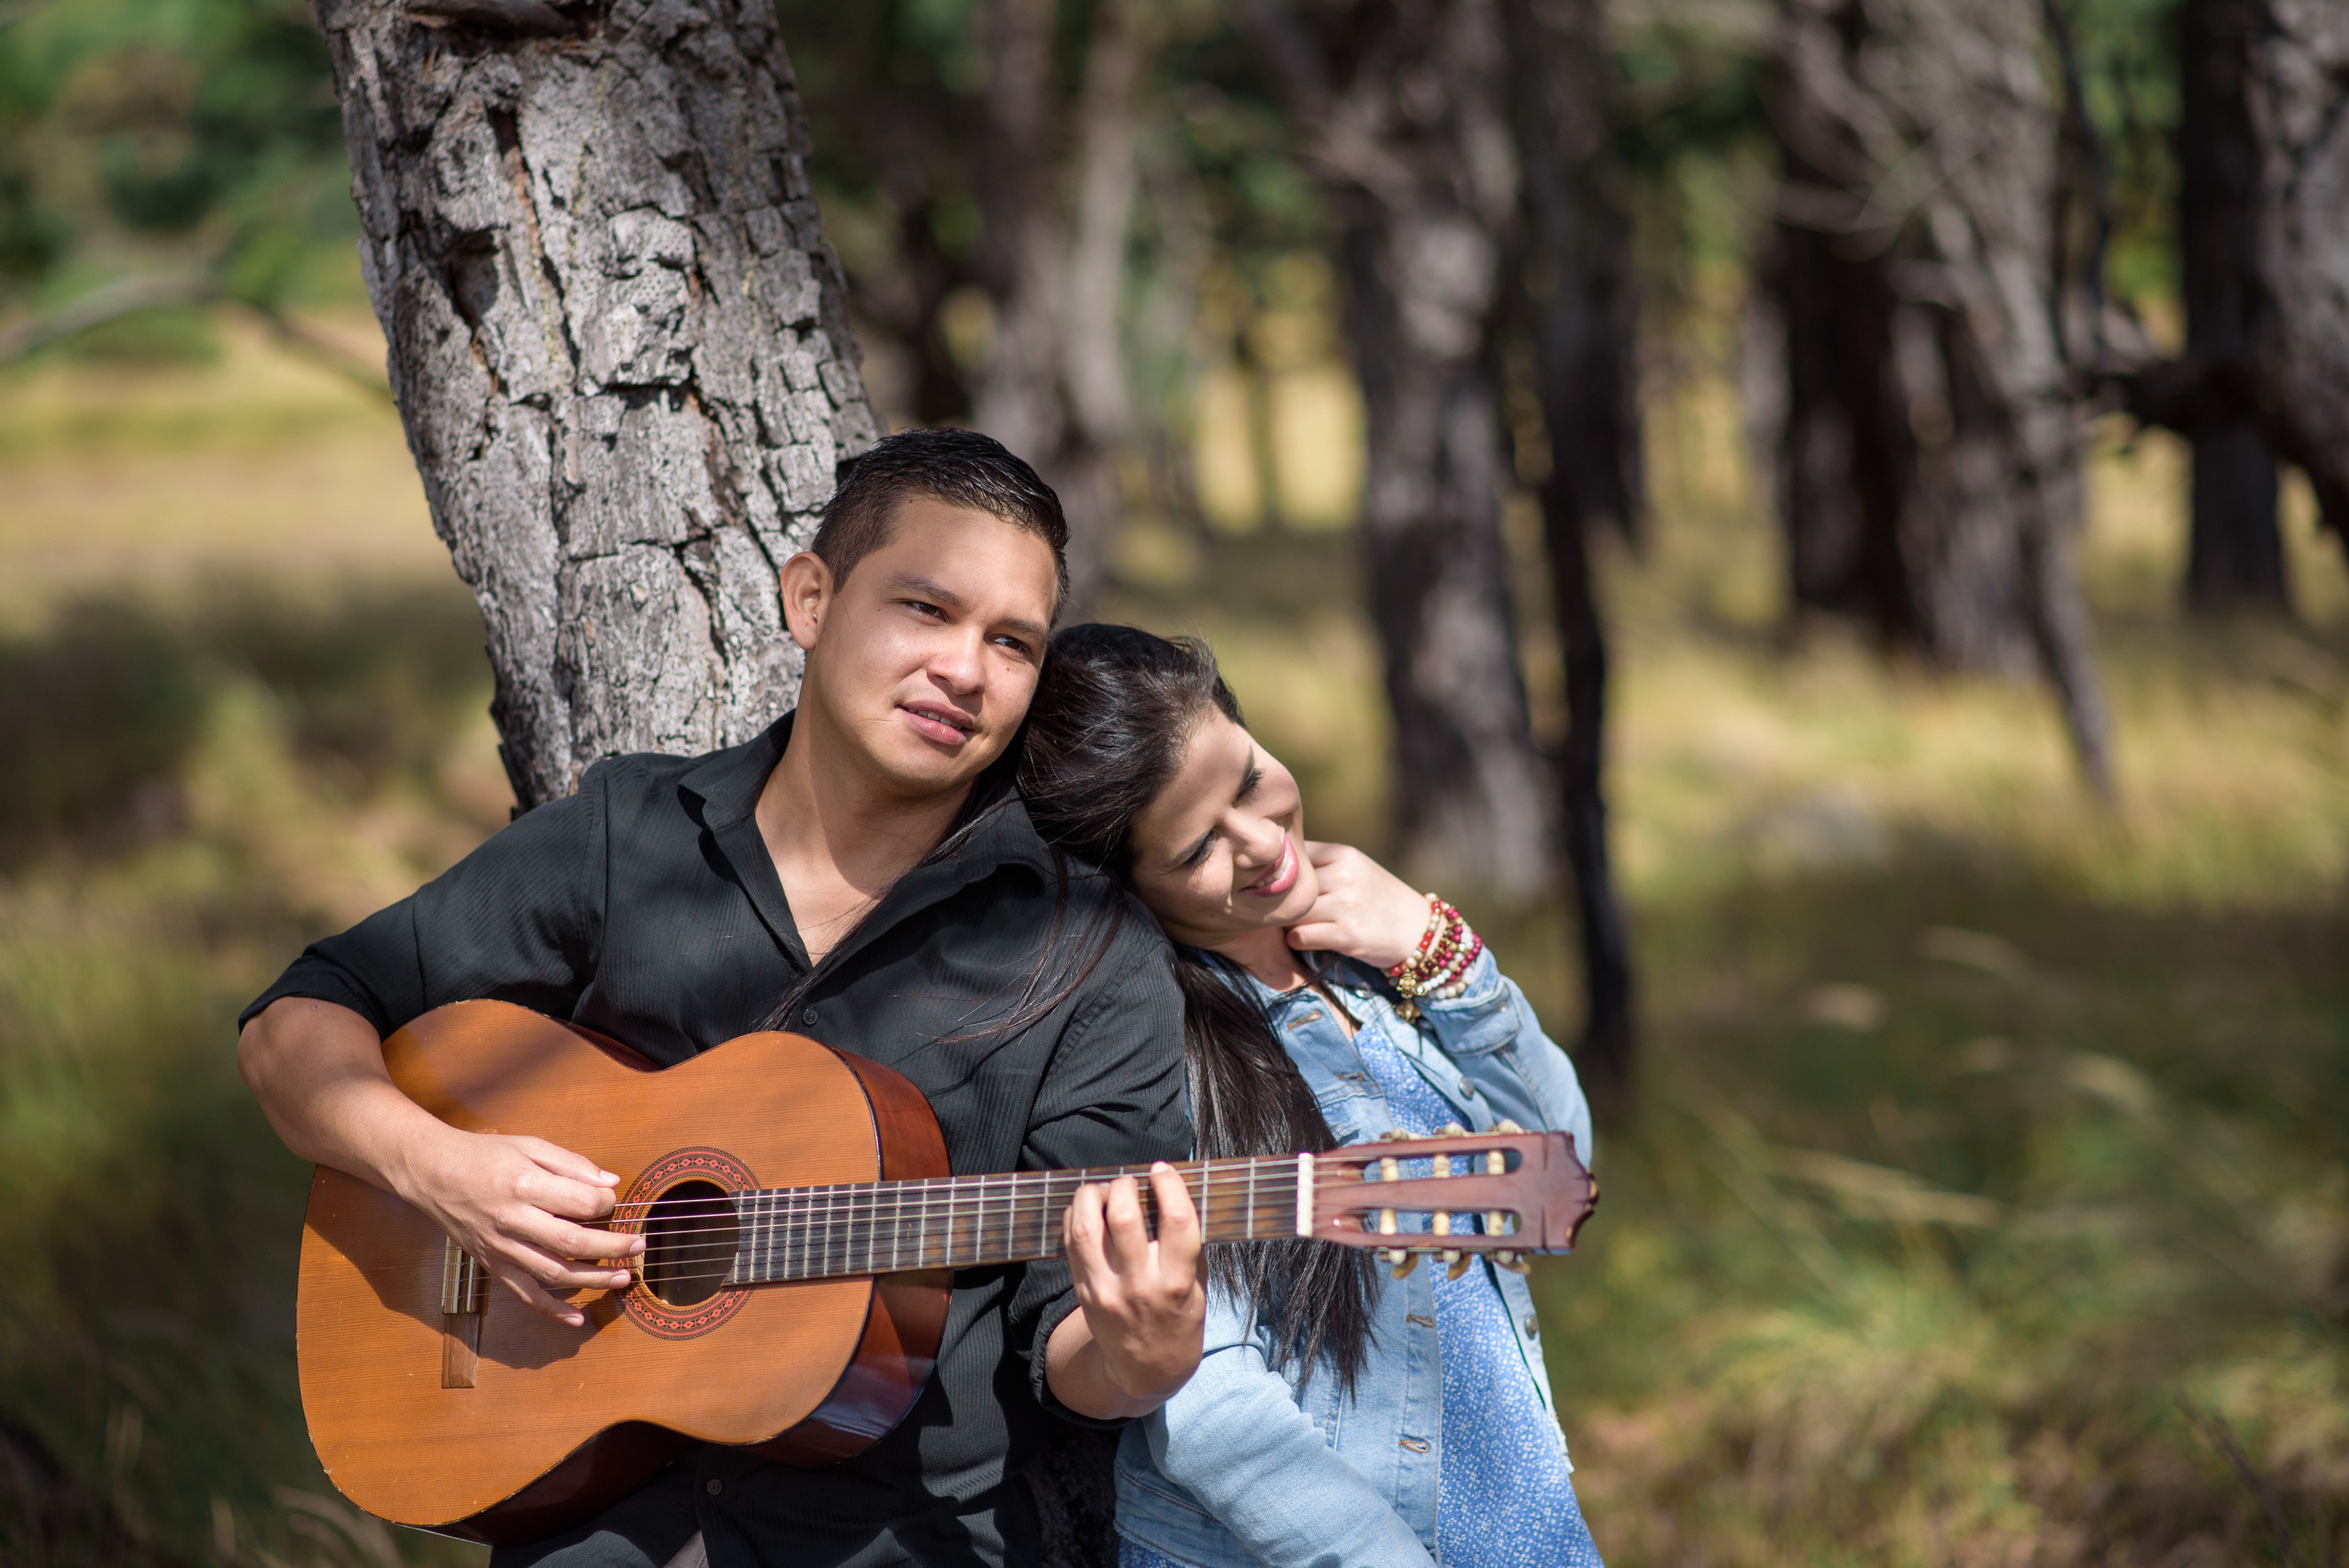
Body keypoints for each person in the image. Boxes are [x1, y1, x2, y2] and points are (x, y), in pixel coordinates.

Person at [237, 431, 1206, 1568]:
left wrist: (1144, 1346)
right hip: (584, 1522)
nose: (965, 669)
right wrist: (440, 1170)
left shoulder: (1088, 950)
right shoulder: (623, 836)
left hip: (900, 1540)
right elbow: (298, 1019)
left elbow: (1071, 1349)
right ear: (810, 598)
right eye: (924, 608)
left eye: (1011, 642)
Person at [1018, 624, 1605, 1568]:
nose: (1260, 841)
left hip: (1513, 1513)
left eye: (1249, 779)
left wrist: (1438, 949)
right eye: (1198, 845)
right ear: (1124, 885)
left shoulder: (1366, 960)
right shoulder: (1145, 1053)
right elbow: (1206, 1402)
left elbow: (1557, 1176)